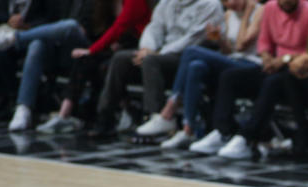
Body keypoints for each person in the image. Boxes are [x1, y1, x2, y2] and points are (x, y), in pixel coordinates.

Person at [187, 0, 308, 156]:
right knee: (229, 77)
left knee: (272, 83)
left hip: (297, 69)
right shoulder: (270, 7)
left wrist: (284, 59)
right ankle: (223, 131)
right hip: (273, 64)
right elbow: (264, 42)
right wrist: (266, 58)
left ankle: (246, 138)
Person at [90, 0, 225, 137]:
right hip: (160, 53)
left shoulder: (210, 5)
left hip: (186, 58)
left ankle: (155, 116)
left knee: (151, 61)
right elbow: (154, 27)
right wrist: (147, 47)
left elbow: (194, 39)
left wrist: (158, 53)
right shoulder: (167, 2)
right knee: (121, 59)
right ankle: (105, 119)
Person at [134, 0, 263, 143]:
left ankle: (169, 111)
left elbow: (241, 45)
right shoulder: (228, 14)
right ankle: (189, 129)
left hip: (251, 64)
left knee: (191, 51)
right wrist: (219, 40)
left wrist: (246, 15)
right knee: (196, 65)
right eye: (225, 2)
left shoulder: (258, 11)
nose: (229, 5)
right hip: (232, 61)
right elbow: (229, 51)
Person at [35, 0, 152, 134]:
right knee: (84, 60)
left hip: (140, 49)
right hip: (115, 47)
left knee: (105, 66)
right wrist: (91, 50)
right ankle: (64, 114)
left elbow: (120, 27)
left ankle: (120, 112)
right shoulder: (103, 4)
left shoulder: (134, 2)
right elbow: (101, 31)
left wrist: (92, 50)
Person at [0, 0, 88, 131]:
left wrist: (27, 26)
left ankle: (13, 39)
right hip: (47, 40)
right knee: (37, 44)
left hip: (80, 44)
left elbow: (103, 29)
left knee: (71, 26)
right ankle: (23, 107)